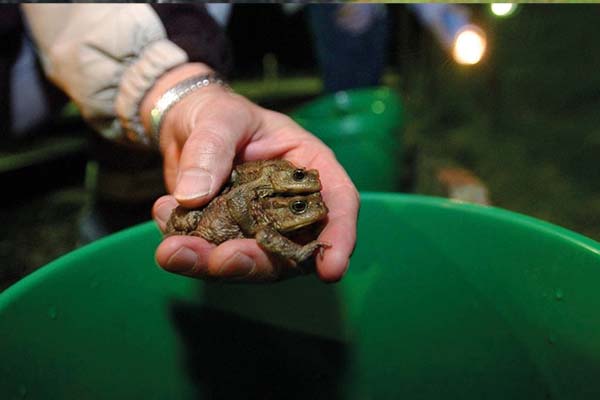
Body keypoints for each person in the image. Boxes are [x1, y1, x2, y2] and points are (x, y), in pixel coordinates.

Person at [21, 3, 359, 282]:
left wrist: (180, 93)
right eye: (300, 198)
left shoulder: (268, 193)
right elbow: (242, 200)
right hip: (205, 215)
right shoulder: (260, 204)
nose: (306, 194)